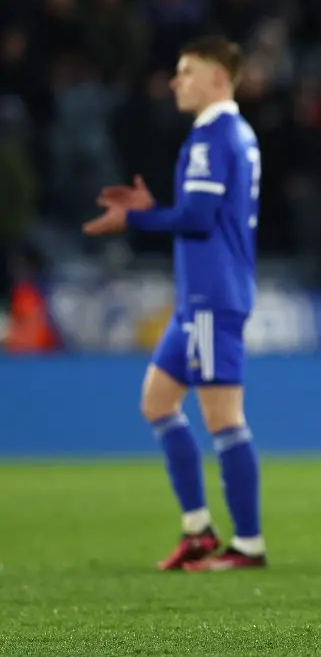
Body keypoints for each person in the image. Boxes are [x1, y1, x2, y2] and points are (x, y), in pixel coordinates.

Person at [84, 35, 265, 571]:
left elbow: (197, 219)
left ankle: (248, 545)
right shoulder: (232, 134)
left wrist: (135, 218)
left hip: (212, 296)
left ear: (216, 79)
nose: (174, 81)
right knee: (157, 402)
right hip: (197, 298)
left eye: (186, 72)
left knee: (224, 419)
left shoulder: (215, 137)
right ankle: (198, 531)